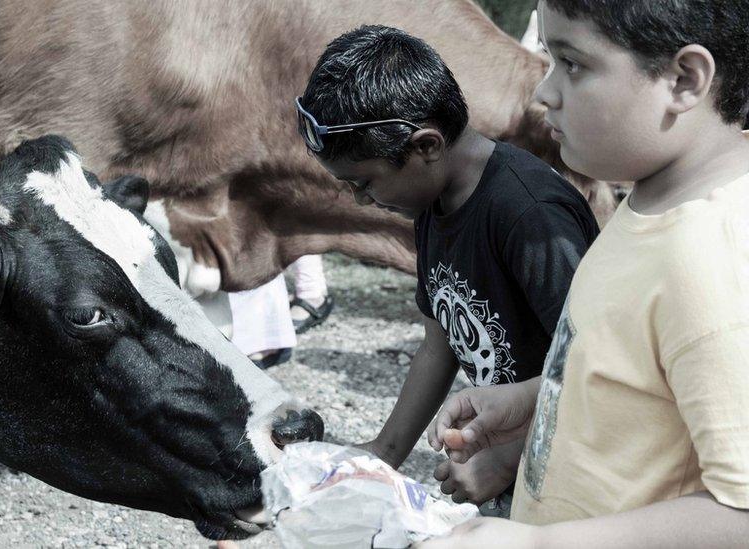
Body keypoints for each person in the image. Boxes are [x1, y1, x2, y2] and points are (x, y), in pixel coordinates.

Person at [420, 1, 749, 546]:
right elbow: (640, 385)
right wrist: (536, 400)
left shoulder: (712, 260)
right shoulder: (651, 199)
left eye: (572, 64)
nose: (543, 93)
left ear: (684, 80)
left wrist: (535, 542)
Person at [295, 25, 599, 508]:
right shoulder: (434, 201)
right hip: (511, 455)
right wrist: (383, 453)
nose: (361, 199)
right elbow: (441, 342)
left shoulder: (529, 215)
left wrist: (509, 460)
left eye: (365, 182)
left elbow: (597, 371)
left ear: (426, 147)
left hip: (573, 474)